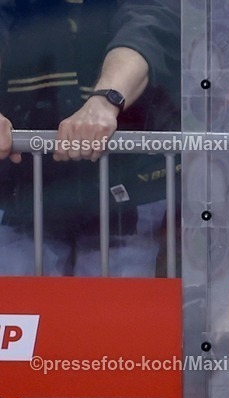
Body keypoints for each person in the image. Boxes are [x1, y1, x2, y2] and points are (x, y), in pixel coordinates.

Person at [0, 0, 180, 276]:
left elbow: (150, 20)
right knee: (18, 296)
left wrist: (106, 101)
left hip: (128, 186)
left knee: (118, 301)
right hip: (20, 189)